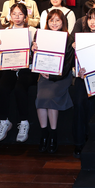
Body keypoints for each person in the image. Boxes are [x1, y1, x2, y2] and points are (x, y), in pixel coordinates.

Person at [0, 3, 39, 143]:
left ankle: (24, 123)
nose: (17, 17)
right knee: (2, 88)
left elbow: (39, 54)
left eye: (20, 14)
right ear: (10, 16)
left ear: (25, 16)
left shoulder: (32, 31)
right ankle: (4, 122)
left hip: (27, 68)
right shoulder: (4, 32)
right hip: (9, 67)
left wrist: (35, 48)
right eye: (14, 14)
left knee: (20, 88)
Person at [32, 9, 75, 154]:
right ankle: (45, 134)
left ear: (63, 22)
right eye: (51, 20)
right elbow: (35, 60)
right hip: (44, 74)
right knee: (41, 98)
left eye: (58, 20)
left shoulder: (68, 39)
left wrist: (52, 77)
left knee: (50, 97)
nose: (54, 23)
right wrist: (34, 50)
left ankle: (54, 134)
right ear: (47, 22)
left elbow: (68, 65)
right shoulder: (41, 36)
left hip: (61, 76)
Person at [71, 7, 95, 158]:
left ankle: (93, 141)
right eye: (89, 18)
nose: (92, 22)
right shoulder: (79, 38)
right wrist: (76, 71)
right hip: (82, 77)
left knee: (93, 104)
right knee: (79, 104)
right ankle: (79, 142)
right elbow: (71, 64)